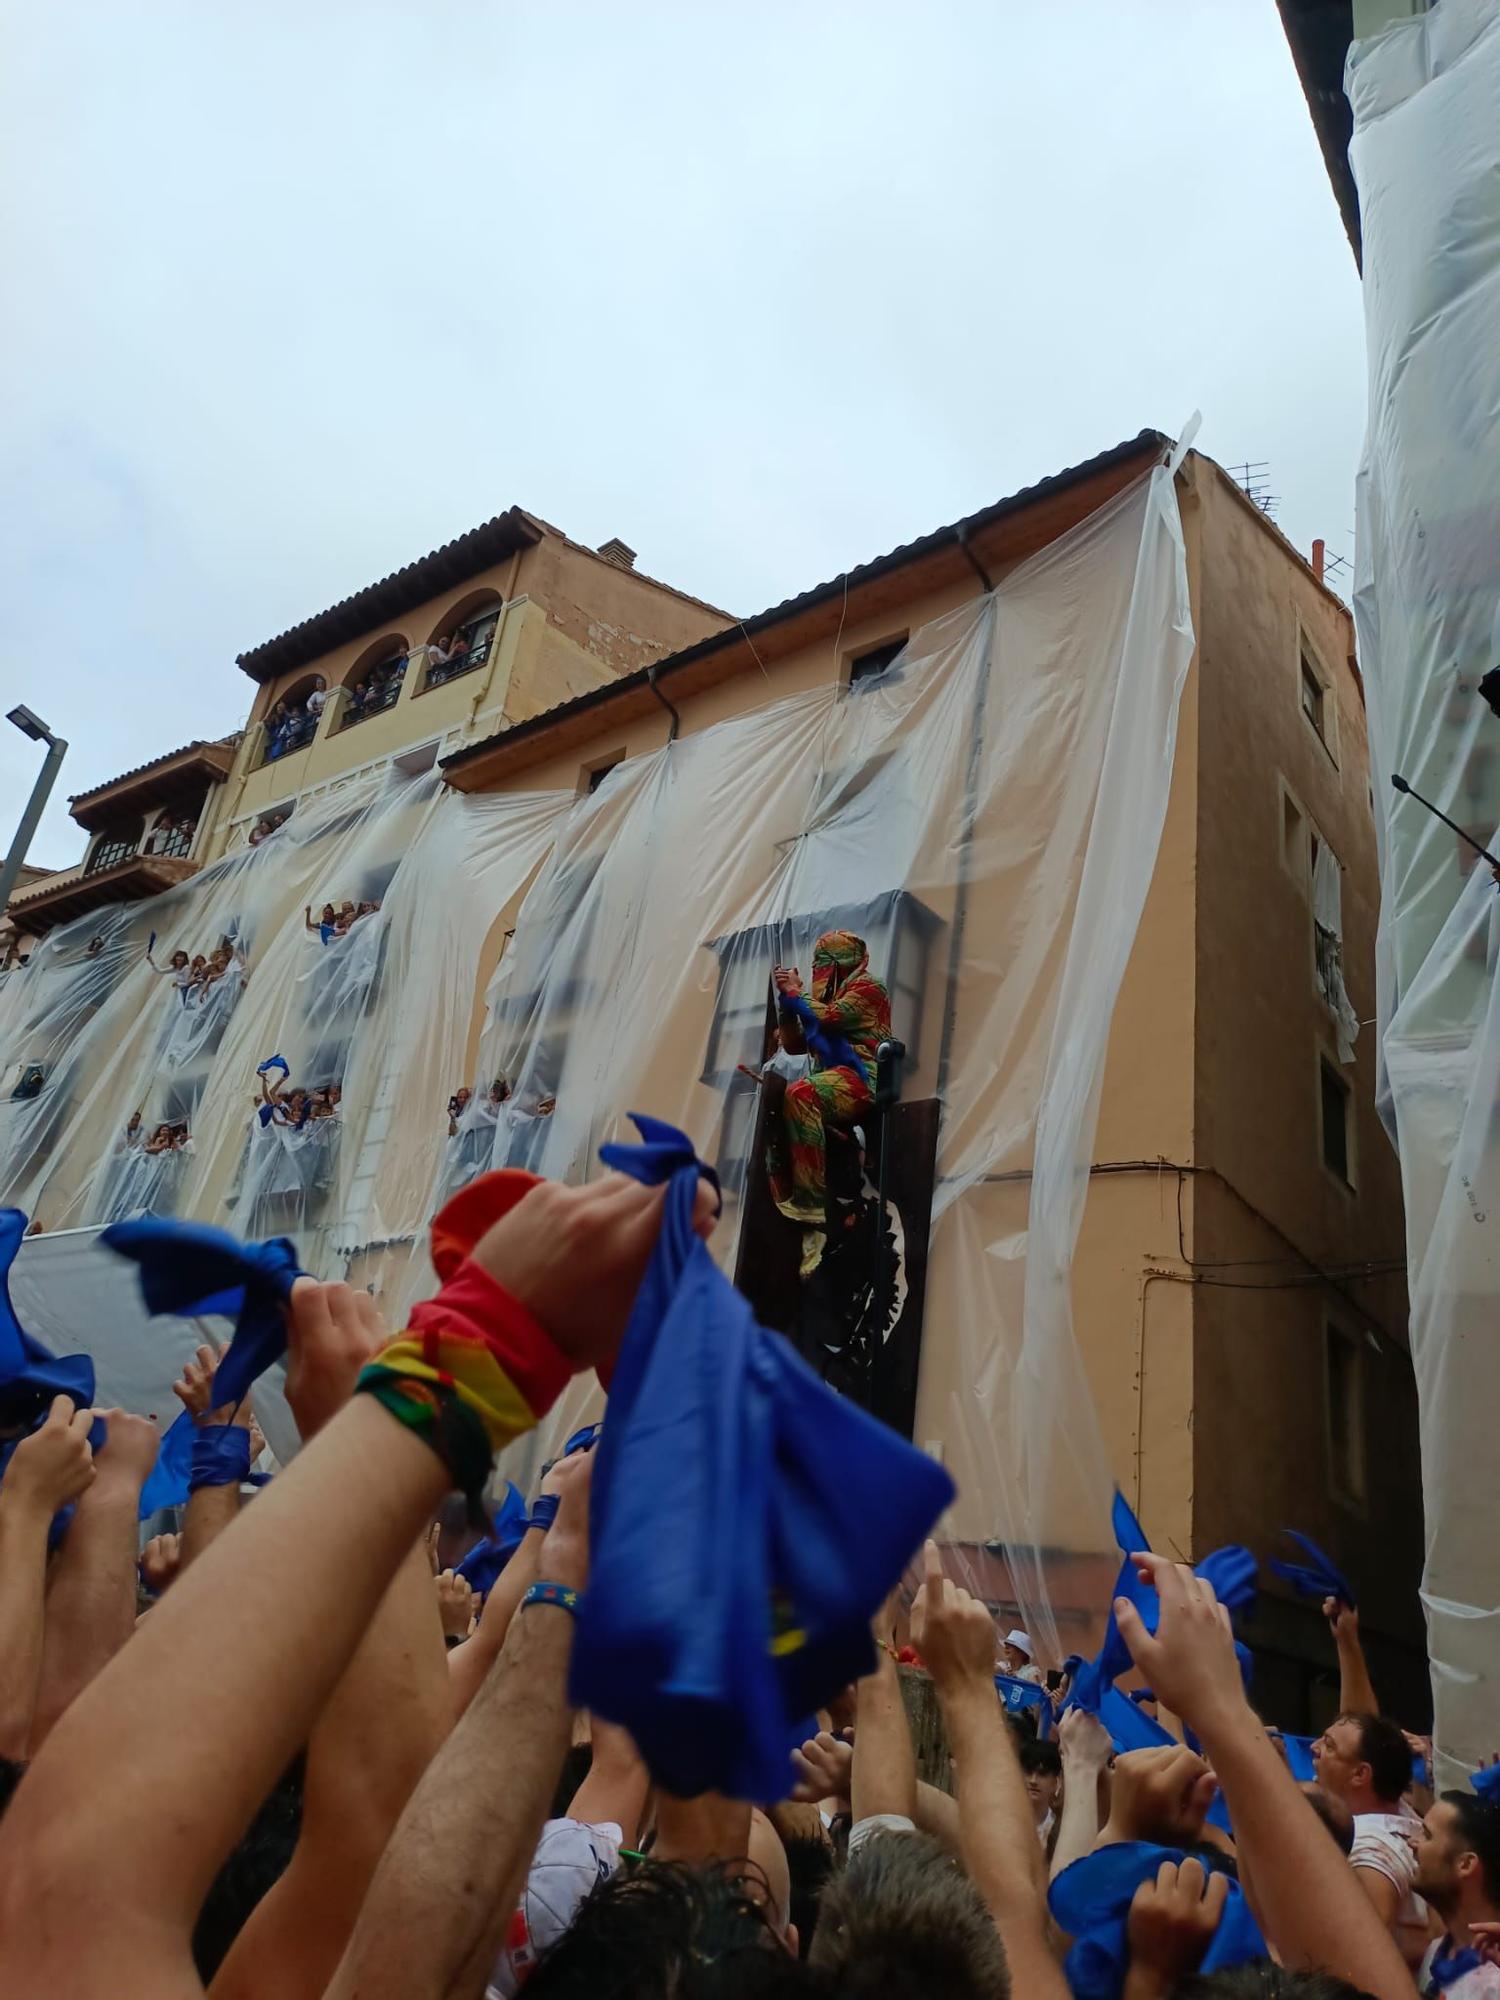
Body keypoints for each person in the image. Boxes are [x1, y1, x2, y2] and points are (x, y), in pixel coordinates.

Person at [766, 930, 891, 1226]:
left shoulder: (869, 986)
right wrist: (786, 1003)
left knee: (801, 1094)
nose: (817, 971)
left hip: (861, 1078)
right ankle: (786, 1189)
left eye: (822, 963)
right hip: (831, 1078)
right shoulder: (827, 999)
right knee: (775, 1108)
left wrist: (797, 993)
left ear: (839, 962)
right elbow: (796, 1046)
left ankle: (811, 1199)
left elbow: (831, 1017)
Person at [1312, 1713, 1423, 1947]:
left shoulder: (1370, 1853)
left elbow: (1362, 1952)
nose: (1314, 1747)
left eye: (1329, 1746)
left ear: (1360, 1774)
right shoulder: (1397, 1806)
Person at [1411, 1793, 1500, 1999]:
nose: (1413, 1842)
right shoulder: (1436, 1951)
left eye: (1427, 1835)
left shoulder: (1495, 1983)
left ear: (1466, 1864)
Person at [1018, 1736, 1062, 1846]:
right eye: (1028, 1772)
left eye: (1042, 1774)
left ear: (1056, 1782)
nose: (1033, 1781)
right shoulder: (1002, 1823)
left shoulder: (1062, 1829)